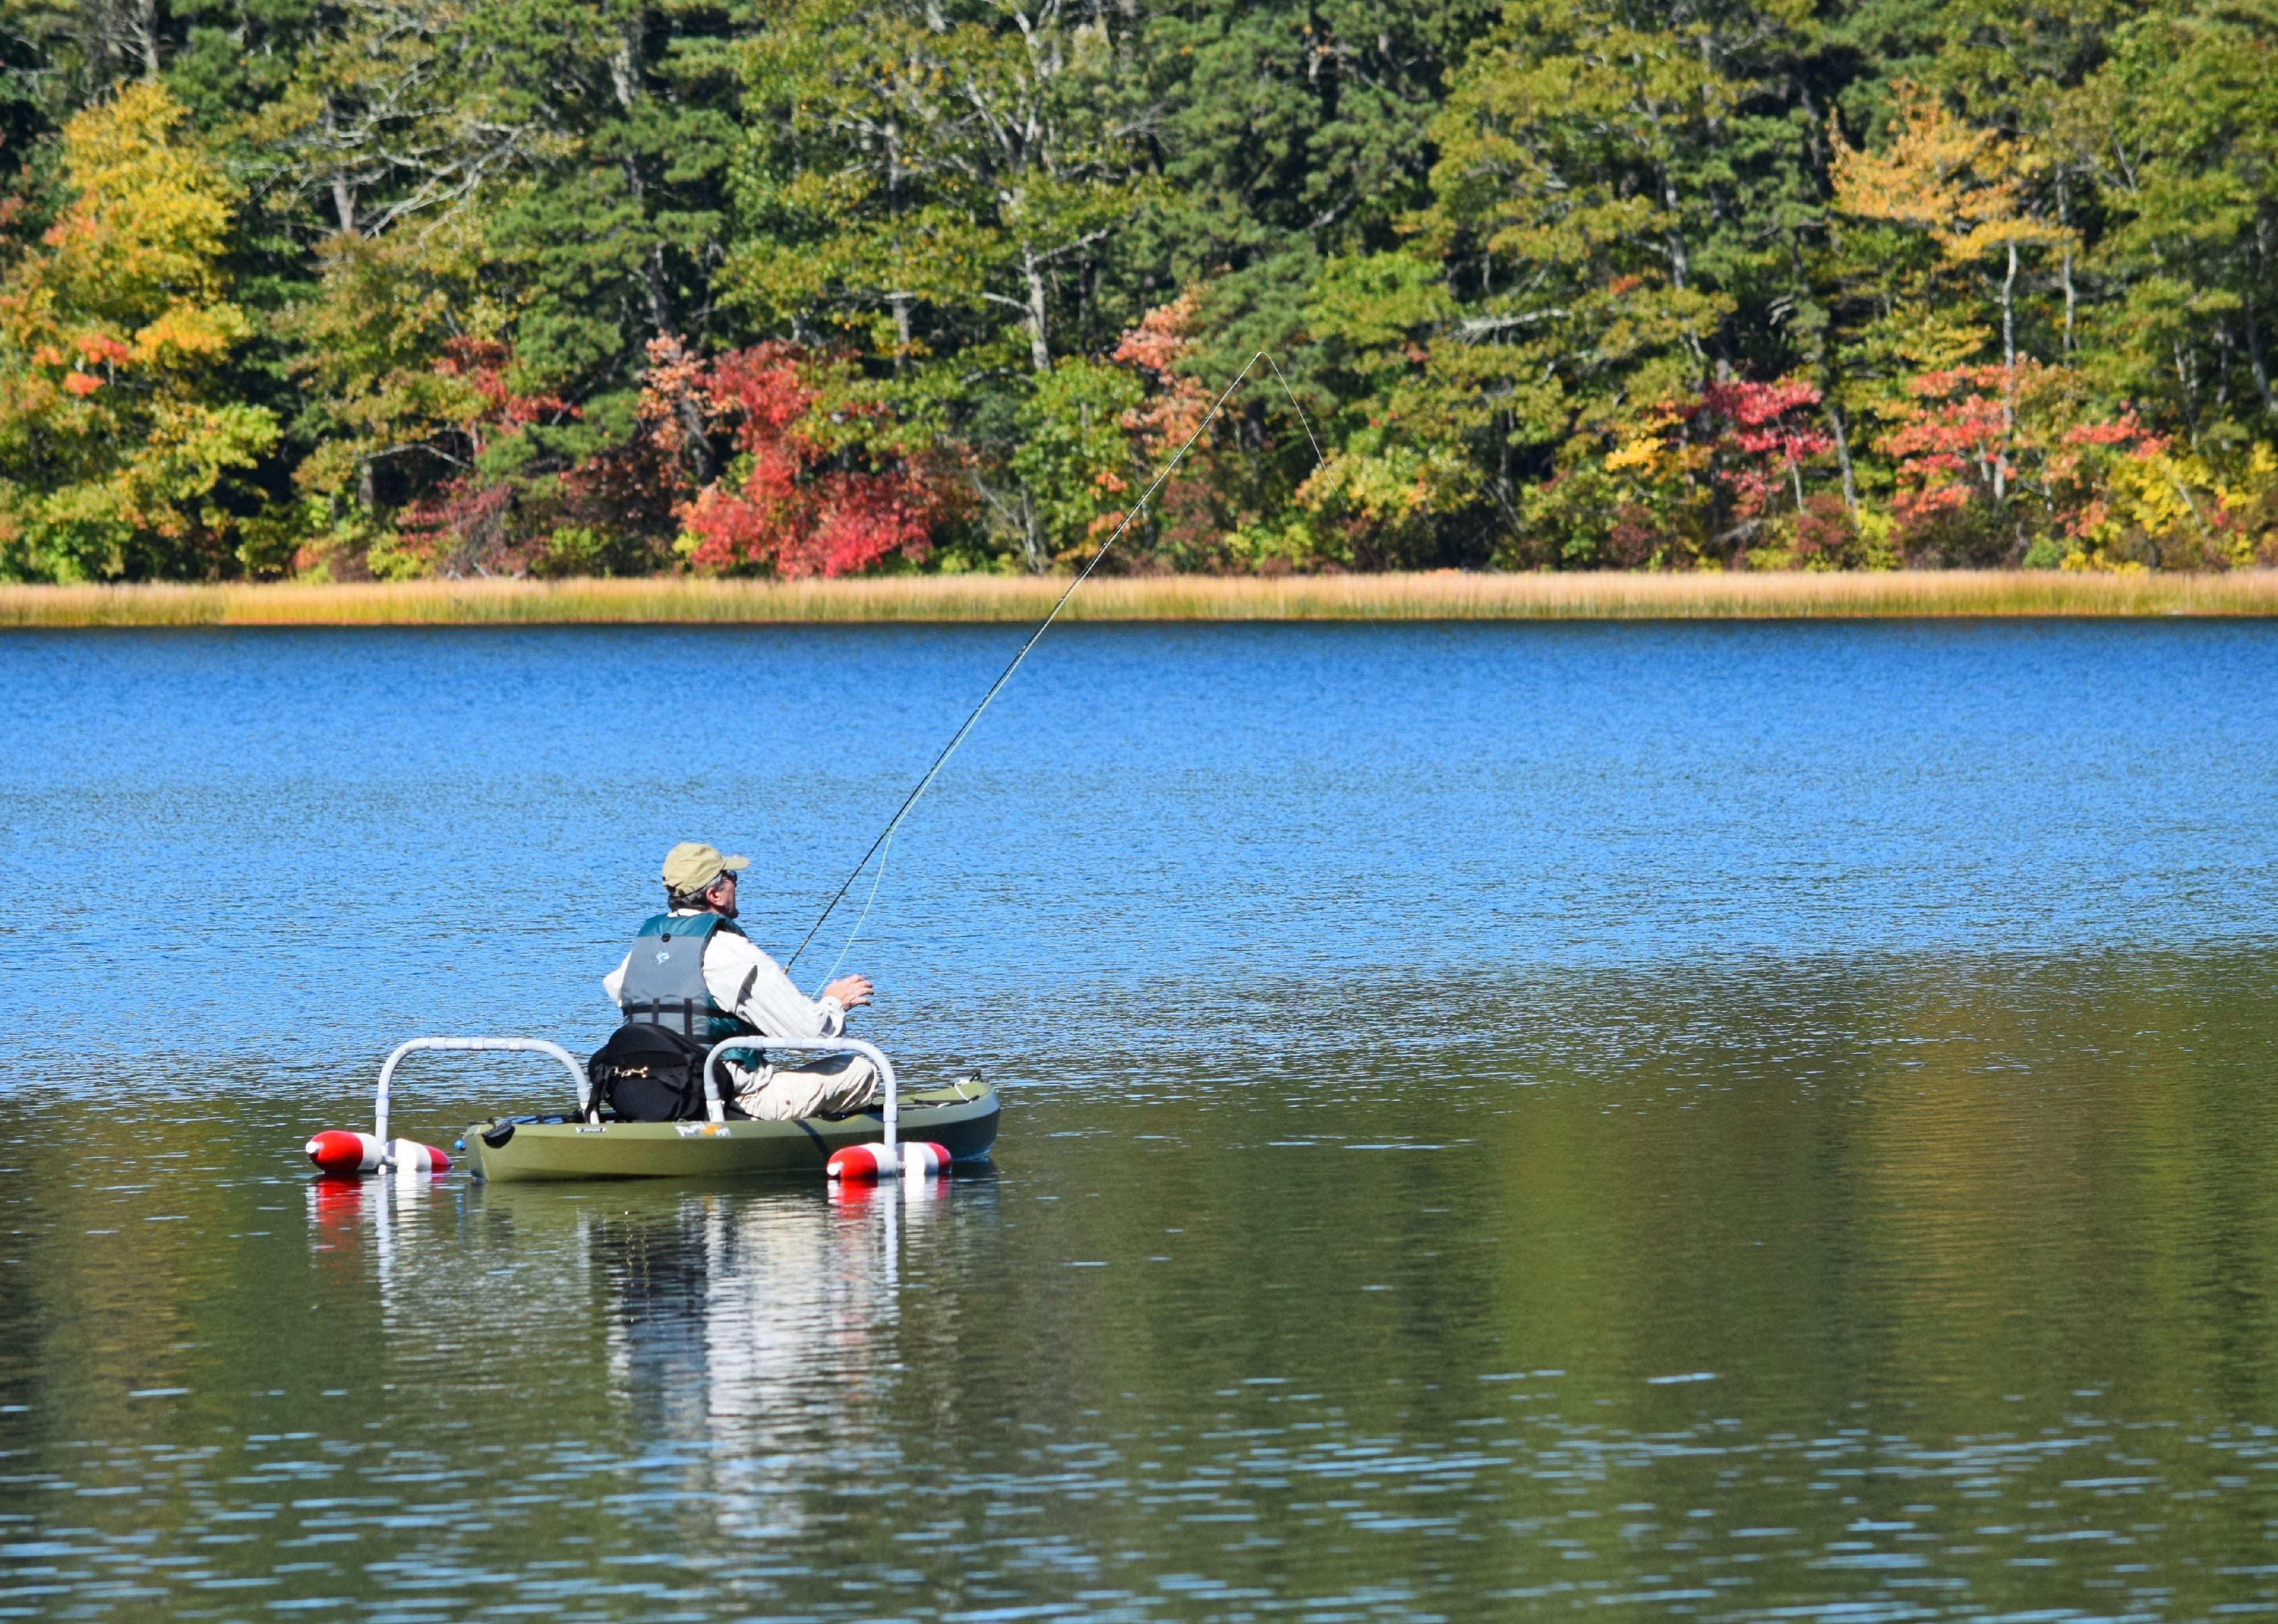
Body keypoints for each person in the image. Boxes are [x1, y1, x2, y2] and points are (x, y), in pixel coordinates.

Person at [602, 840, 879, 1119]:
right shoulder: (732, 953)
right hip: (730, 1100)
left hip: (653, 1093)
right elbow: (810, 1035)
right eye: (731, 878)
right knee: (860, 1070)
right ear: (715, 895)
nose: (736, 883)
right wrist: (835, 1003)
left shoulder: (641, 951)